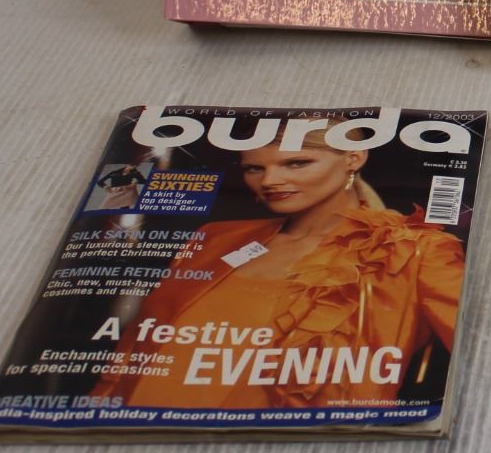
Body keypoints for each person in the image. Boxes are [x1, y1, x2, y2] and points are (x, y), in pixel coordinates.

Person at [93, 122, 464, 410]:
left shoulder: (414, 250)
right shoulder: (216, 236)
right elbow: (137, 346)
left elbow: (481, 352)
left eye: (296, 163)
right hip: (135, 423)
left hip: (284, 447)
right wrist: (97, 410)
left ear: (354, 158)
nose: (270, 181)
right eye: (254, 168)